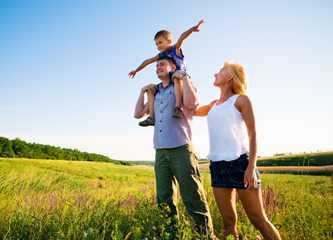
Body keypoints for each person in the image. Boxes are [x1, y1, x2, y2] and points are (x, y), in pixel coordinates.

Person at [194, 62, 281, 240]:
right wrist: (183, 81)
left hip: (241, 164)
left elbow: (253, 134)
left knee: (258, 220)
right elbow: (191, 110)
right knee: (228, 222)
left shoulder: (241, 100)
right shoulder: (213, 105)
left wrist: (251, 168)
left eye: (220, 71)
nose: (215, 73)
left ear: (230, 77)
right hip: (218, 166)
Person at [134, 57, 217, 239]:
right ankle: (171, 235)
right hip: (161, 151)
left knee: (192, 196)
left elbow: (192, 104)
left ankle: (205, 236)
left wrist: (184, 77)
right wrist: (142, 91)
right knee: (164, 198)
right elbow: (138, 113)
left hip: (181, 149)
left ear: (173, 67)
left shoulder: (180, 85)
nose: (158, 67)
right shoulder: (155, 93)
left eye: (162, 64)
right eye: (156, 66)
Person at [130, 20, 204, 127]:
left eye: (160, 42)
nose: (158, 46)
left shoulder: (175, 49)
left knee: (175, 77)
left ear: (169, 41)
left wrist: (193, 29)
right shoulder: (162, 55)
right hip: (170, 78)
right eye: (156, 44)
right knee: (151, 90)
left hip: (180, 75)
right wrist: (136, 70)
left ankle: (177, 107)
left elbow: (182, 37)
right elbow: (148, 61)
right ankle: (151, 117)